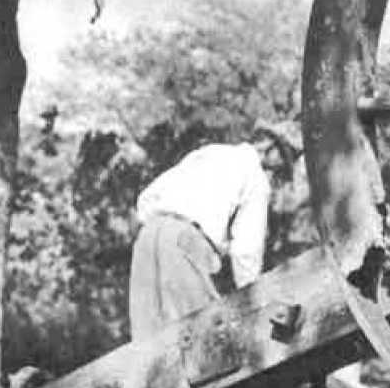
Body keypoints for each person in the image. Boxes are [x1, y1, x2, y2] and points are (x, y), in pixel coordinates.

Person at [127, 121, 300, 341]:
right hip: (185, 242)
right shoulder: (256, 178)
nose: (281, 168)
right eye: (284, 158)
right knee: (204, 342)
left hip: (147, 238)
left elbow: (147, 198)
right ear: (270, 147)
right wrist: (254, 303)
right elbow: (246, 251)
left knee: (149, 345)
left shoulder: (212, 152)